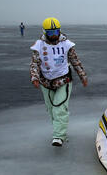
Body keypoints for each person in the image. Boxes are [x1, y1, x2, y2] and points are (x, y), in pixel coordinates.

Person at [29, 17, 88, 147]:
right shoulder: (39, 45)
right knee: (51, 110)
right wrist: (35, 77)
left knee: (59, 108)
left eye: (56, 32)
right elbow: (35, 64)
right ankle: (59, 129)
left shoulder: (67, 44)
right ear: (45, 32)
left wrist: (82, 76)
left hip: (63, 80)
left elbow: (75, 61)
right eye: (51, 33)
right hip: (46, 82)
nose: (54, 35)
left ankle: (59, 136)